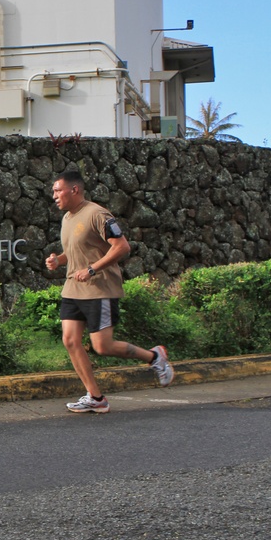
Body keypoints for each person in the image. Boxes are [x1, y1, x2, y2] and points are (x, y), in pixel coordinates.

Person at [46, 171, 174, 413]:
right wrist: (58, 261)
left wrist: (92, 269)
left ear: (75, 190)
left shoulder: (97, 214)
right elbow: (76, 252)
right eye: (53, 191)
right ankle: (95, 397)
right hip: (73, 288)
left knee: (102, 347)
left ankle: (154, 357)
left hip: (99, 288)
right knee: (70, 341)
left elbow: (121, 246)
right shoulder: (67, 219)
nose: (54, 195)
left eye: (58, 190)